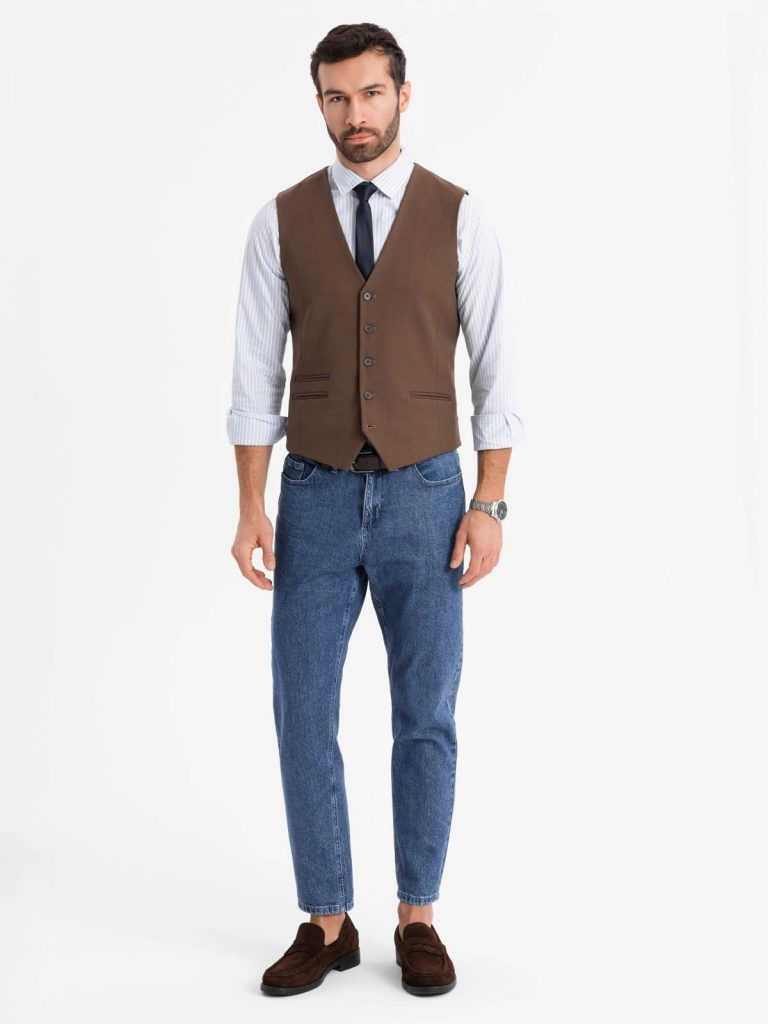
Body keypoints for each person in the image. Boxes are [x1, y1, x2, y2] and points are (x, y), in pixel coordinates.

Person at [227, 22, 525, 997]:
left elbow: (498, 371)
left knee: (425, 713)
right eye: (336, 96)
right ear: (319, 103)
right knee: (302, 711)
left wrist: (490, 503)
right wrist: (250, 506)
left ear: (403, 94)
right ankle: (328, 918)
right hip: (312, 495)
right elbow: (254, 376)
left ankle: (418, 915)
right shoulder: (278, 222)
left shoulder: (461, 218)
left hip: (427, 495)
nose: (354, 113)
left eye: (370, 93)